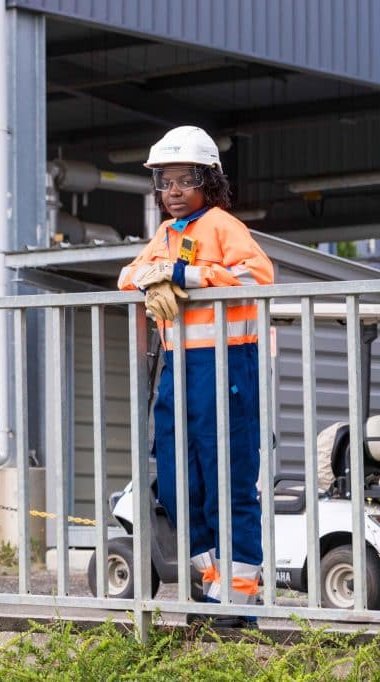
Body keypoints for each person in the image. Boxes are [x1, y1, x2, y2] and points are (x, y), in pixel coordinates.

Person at [118, 126, 274, 628]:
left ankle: (237, 597)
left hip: (227, 367)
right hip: (178, 369)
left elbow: (258, 275)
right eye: (165, 182)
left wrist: (187, 277)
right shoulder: (165, 235)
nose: (174, 191)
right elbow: (128, 276)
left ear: (209, 181)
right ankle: (213, 584)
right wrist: (154, 276)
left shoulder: (223, 226)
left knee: (226, 479)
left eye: (185, 180)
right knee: (177, 485)